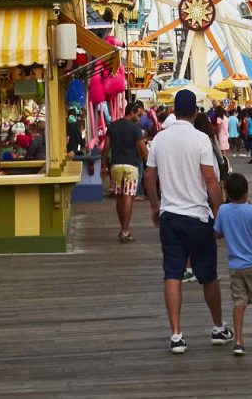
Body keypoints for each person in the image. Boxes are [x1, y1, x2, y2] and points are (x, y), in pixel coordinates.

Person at [144, 87, 229, 354]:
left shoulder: (159, 139)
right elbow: (211, 181)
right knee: (209, 276)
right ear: (194, 111)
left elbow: (149, 177)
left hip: (170, 216)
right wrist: (220, 213)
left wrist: (156, 206)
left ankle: (177, 335)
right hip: (198, 216)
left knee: (172, 274)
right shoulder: (201, 140)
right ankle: (217, 327)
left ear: (173, 110)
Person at [215, 171, 252, 354]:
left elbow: (216, 233)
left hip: (234, 266)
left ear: (226, 194)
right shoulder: (251, 210)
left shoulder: (223, 211)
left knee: (239, 302)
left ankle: (238, 341)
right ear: (246, 193)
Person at [105, 95, 145, 243]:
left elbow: (106, 147)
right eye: (138, 114)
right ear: (133, 112)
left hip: (115, 166)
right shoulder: (136, 129)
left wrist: (103, 166)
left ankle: (122, 228)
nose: (139, 118)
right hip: (131, 166)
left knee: (119, 197)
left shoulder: (113, 126)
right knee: (128, 196)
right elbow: (142, 149)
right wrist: (150, 162)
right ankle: (125, 231)